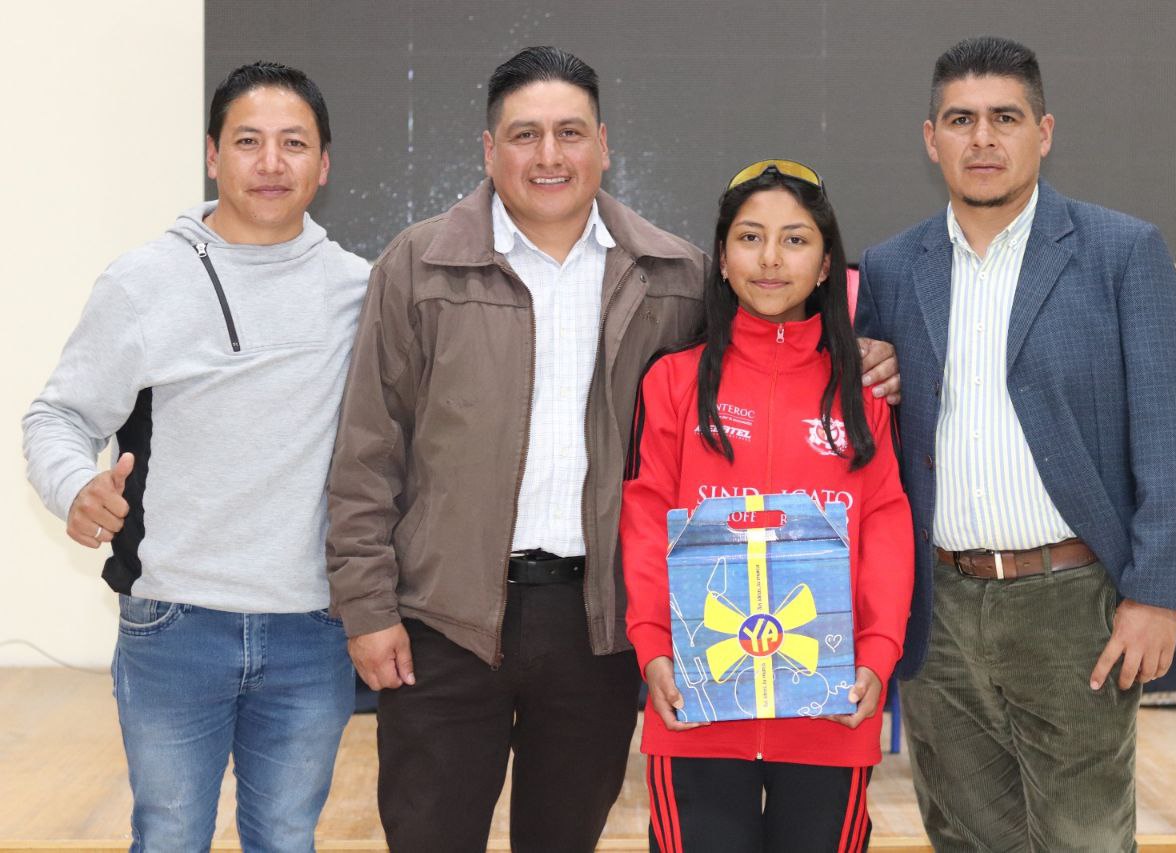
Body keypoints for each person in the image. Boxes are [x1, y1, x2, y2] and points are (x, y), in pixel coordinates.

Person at [325, 47, 901, 851]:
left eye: (570, 132)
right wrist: (368, 607)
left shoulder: (674, 275)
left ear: (603, 144)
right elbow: (367, 452)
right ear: (489, 150)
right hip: (443, 623)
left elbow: (768, 353)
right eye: (525, 134)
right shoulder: (417, 266)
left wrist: (861, 356)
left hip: (595, 630)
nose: (549, 155)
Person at [856, 36, 1176, 851]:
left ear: (1043, 132)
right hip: (939, 610)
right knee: (966, 835)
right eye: (961, 120)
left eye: (1005, 118)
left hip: (1073, 606)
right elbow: (882, 425)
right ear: (931, 139)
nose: (982, 138)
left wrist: (1158, 594)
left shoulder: (1122, 251)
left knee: (1084, 839)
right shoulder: (891, 267)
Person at [22, 62, 367, 851]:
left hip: (312, 627)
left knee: (286, 837)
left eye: (293, 144)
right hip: (175, 623)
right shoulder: (144, 282)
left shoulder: (360, 290)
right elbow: (59, 416)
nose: (271, 162)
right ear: (213, 155)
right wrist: (74, 486)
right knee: (170, 835)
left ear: (324, 164)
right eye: (248, 142)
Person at [620, 160, 914, 852]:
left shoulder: (865, 388)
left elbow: (886, 523)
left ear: (826, 264)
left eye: (795, 239)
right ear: (722, 260)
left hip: (829, 710)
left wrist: (877, 653)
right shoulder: (672, 382)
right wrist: (653, 646)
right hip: (697, 705)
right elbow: (645, 521)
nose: (772, 259)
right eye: (750, 238)